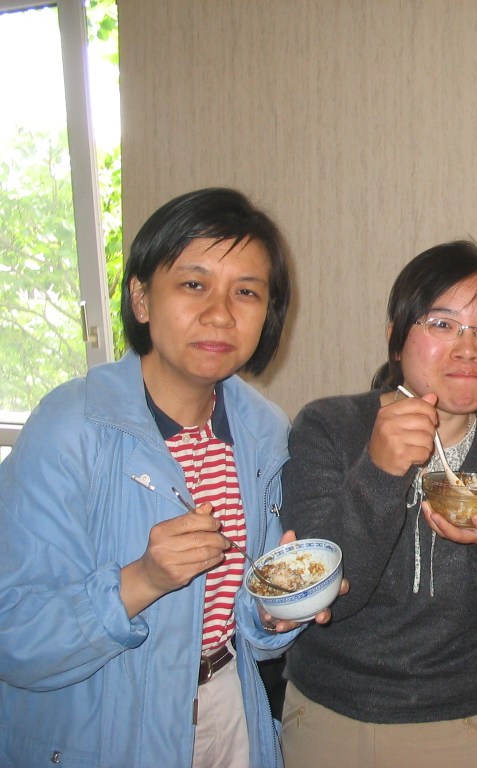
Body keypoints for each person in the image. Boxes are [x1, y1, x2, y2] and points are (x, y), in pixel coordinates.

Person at [0, 187, 337, 768]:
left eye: (246, 292)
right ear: (141, 298)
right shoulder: (70, 428)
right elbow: (14, 636)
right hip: (102, 727)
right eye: (193, 284)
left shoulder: (262, 432)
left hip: (229, 713)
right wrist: (141, 580)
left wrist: (274, 613)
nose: (221, 313)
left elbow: (245, 626)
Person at [279, 240, 477, 768]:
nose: (467, 348)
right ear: (395, 338)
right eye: (442, 324)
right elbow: (327, 602)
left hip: (464, 724)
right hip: (329, 715)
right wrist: (379, 471)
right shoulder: (328, 429)